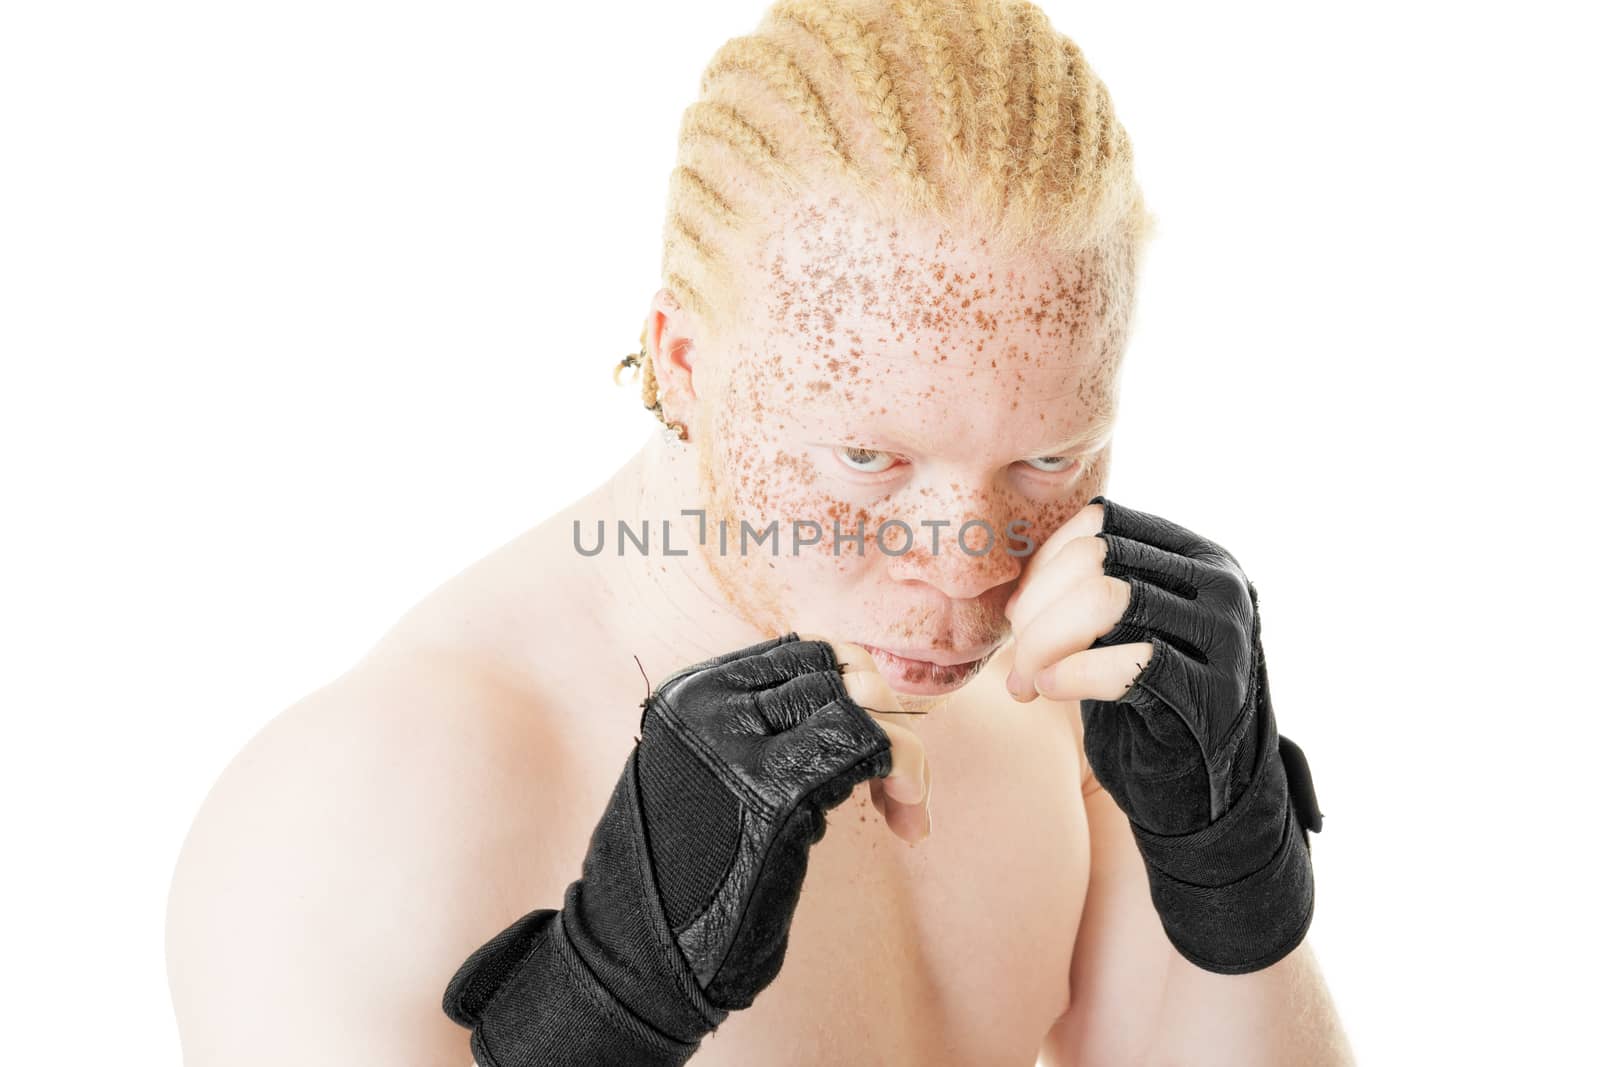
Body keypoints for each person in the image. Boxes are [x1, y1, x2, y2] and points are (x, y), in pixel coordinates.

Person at [165, 1, 1356, 1063]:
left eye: (1046, 455)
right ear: (682, 364)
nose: (966, 564)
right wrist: (593, 1014)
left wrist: (1233, 872)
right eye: (868, 459)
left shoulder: (1063, 702)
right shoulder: (364, 799)